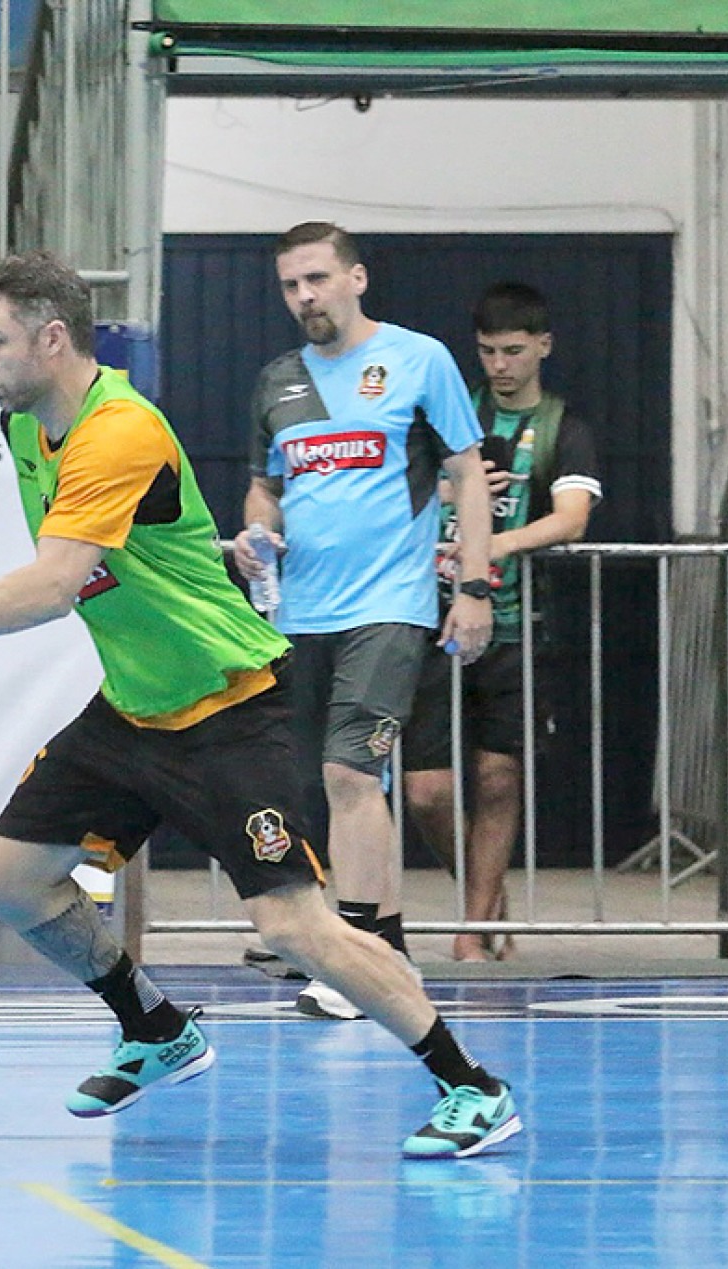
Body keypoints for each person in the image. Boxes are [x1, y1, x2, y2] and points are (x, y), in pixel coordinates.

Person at [0, 250, 521, 1158]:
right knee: (6, 876)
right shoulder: (23, 429)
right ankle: (154, 1027)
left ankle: (469, 1086)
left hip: (224, 708)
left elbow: (54, 582)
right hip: (131, 707)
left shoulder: (118, 431)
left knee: (292, 924)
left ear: (50, 338)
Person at [230, 222, 495, 1022]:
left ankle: (350, 958)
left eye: (315, 278)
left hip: (388, 607)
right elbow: (264, 489)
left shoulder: (419, 361)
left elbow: (467, 475)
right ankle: (381, 947)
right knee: (316, 785)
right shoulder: (278, 380)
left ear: (356, 278)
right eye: (289, 285)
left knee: (352, 773)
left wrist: (474, 586)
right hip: (299, 611)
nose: (303, 296)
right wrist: (253, 534)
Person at [402, 282, 603, 961]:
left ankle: (468, 932)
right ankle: (486, 903)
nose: (499, 365)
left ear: (542, 346)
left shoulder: (562, 427)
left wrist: (489, 546)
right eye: (486, 351)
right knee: (425, 790)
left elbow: (571, 516)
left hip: (517, 623)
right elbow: (403, 491)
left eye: (513, 351)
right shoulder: (448, 418)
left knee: (496, 778)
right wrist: (454, 494)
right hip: (431, 617)